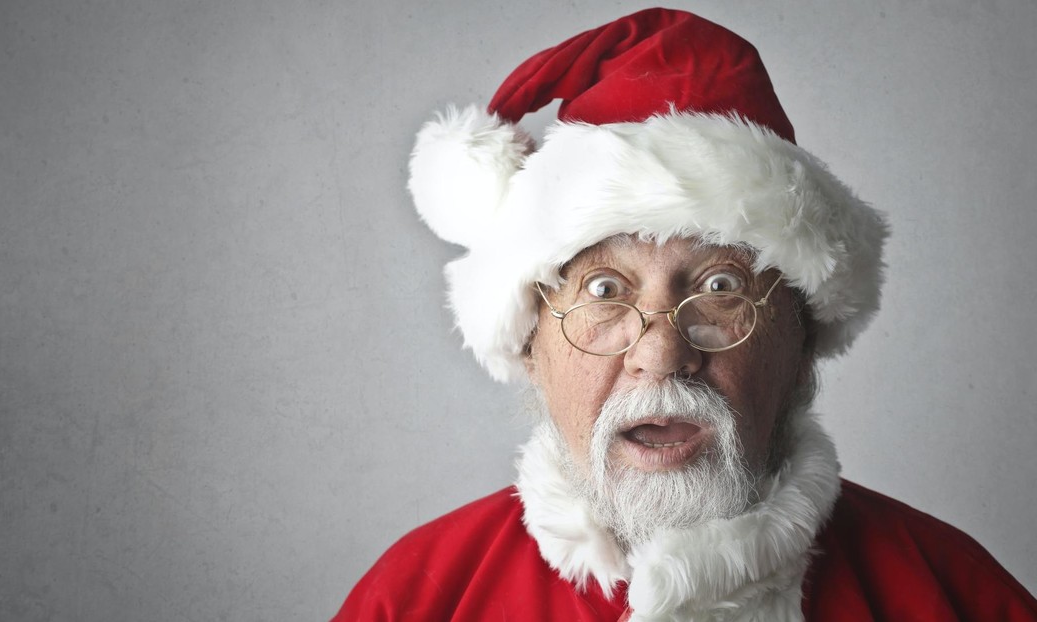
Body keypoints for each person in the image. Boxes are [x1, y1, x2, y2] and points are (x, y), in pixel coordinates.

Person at [334, 8, 1037, 621]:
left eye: (722, 286)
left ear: (802, 339)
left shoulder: (953, 593)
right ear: (530, 342)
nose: (663, 354)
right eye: (605, 292)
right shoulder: (418, 597)